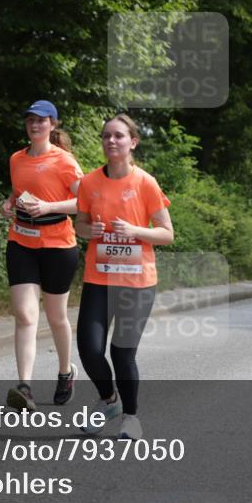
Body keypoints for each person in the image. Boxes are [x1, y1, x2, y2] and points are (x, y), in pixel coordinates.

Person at [74, 114, 174, 440]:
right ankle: (109, 401)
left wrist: (134, 231)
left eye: (118, 136)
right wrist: (92, 230)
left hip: (137, 283)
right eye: (106, 136)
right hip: (99, 279)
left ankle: (131, 418)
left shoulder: (145, 183)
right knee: (89, 350)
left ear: (132, 142)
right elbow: (80, 226)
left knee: (121, 353)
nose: (111, 141)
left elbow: (166, 234)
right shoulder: (89, 183)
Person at [0, 100, 84, 412]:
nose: (35, 125)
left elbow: (84, 202)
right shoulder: (16, 159)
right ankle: (25, 387)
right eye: (30, 120)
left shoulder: (64, 160)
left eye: (41, 120)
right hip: (21, 240)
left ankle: (65, 372)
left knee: (56, 316)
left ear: (53, 124)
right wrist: (8, 205)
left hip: (58, 245)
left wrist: (49, 207)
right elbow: (18, 192)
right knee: (24, 315)